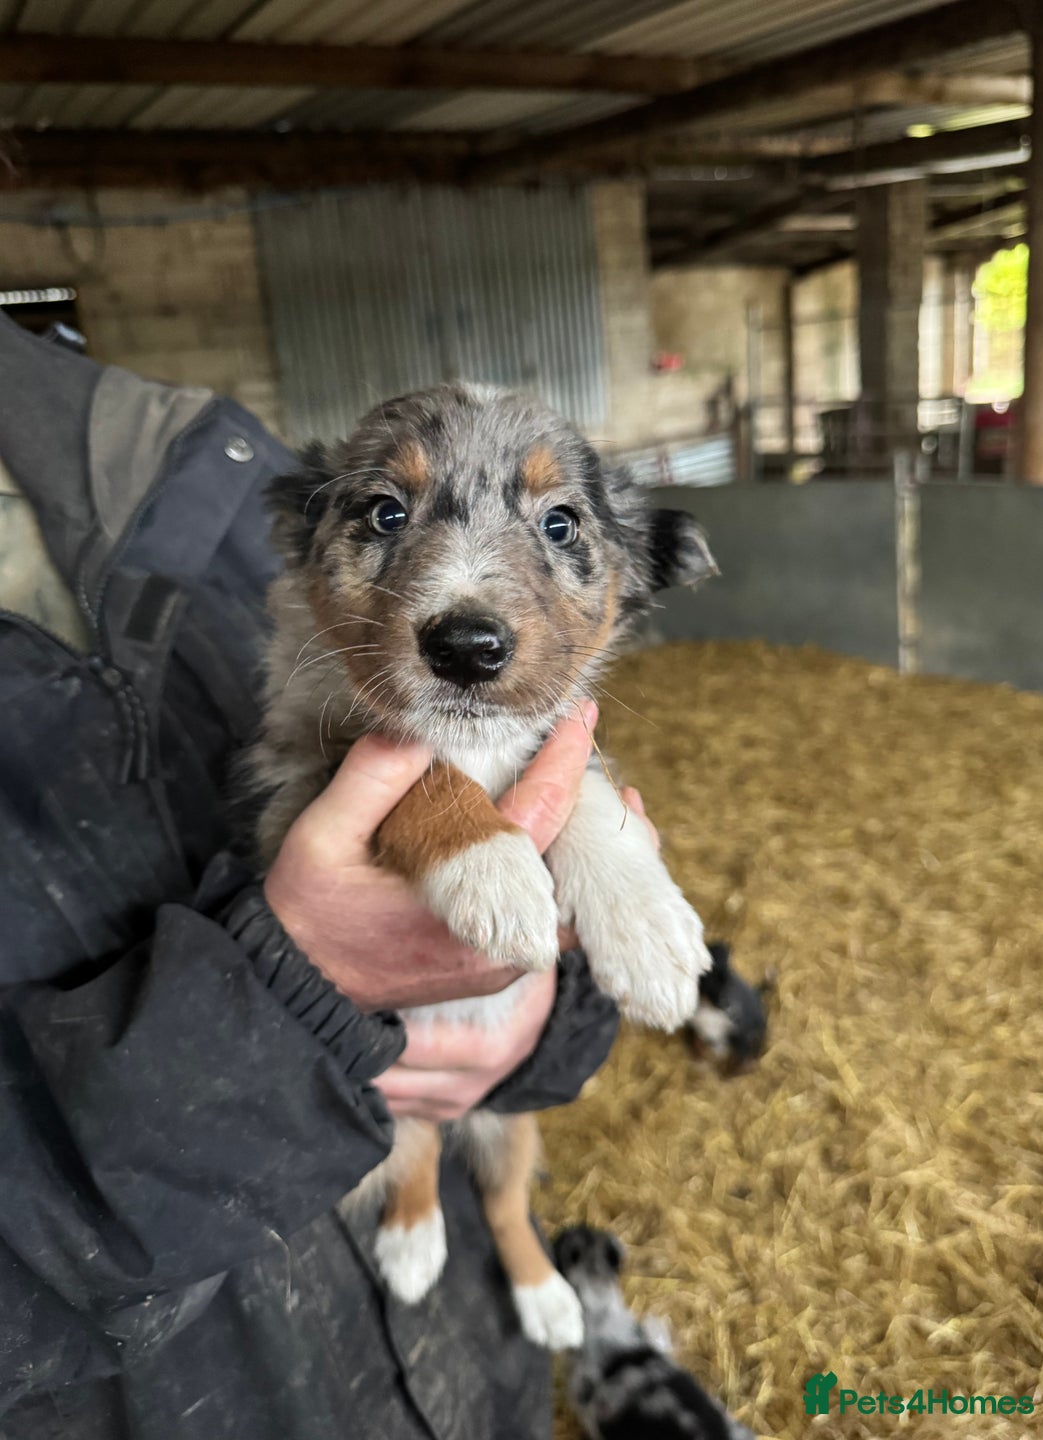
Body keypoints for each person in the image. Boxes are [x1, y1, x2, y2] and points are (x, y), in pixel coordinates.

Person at [0, 311, 626, 1439]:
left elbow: (539, 988)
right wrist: (293, 1007)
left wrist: (549, 1009)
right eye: (388, 517)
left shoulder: (181, 448)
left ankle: (508, 1232)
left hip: (457, 1374)